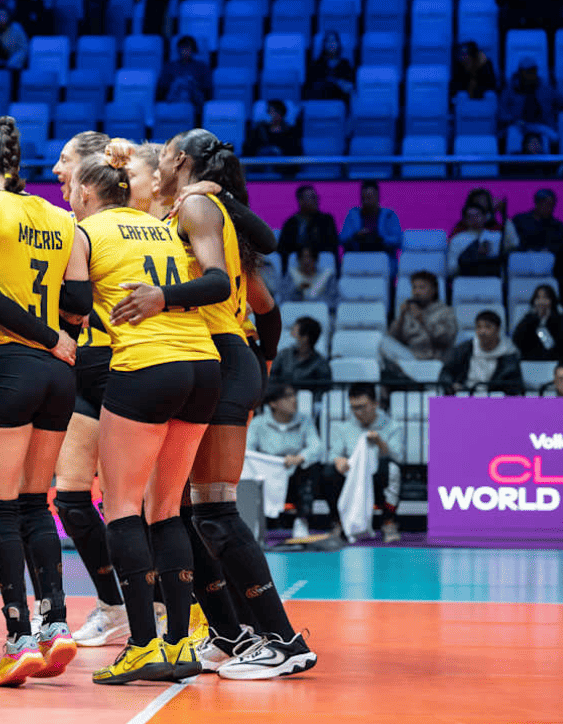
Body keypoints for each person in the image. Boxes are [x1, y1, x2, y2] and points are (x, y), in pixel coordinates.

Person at [129, 129, 311, 680]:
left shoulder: (199, 207)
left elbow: (215, 284)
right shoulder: (190, 211)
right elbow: (261, 298)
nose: (155, 163)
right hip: (206, 359)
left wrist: (162, 297)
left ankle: (284, 640)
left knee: (213, 511)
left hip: (223, 357)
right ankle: (233, 634)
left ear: (180, 160)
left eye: (161, 156)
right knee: (186, 512)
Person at [0, 116, 92, 688]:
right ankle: (57, 623)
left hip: (7, 364)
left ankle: (19, 636)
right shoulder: (61, 218)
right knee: (35, 503)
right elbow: (78, 301)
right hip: (58, 376)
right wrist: (56, 331)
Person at [69, 140, 223, 686]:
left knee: (122, 507)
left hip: (145, 365)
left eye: (71, 193)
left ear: (87, 194)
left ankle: (140, 644)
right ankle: (181, 644)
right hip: (203, 366)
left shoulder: (83, 232)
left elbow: (74, 310)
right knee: (167, 509)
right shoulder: (162, 224)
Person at [46, 131, 129, 649]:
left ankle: (169, 607)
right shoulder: (66, 229)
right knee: (72, 498)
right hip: (81, 366)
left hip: (126, 365)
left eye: (64, 162)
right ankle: (113, 605)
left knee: (137, 505)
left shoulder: (123, 222)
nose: (56, 171)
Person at [323, 383, 403, 543]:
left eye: (362, 407)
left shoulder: (393, 426)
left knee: (392, 468)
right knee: (329, 473)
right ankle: (338, 523)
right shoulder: (342, 427)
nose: (358, 412)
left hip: (377, 478)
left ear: (375, 404)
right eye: (354, 407)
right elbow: (334, 453)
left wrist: (380, 443)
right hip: (351, 476)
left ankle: (389, 521)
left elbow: (398, 456)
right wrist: (339, 461)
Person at [247, 384, 324, 539]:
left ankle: (302, 521)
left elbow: (316, 446)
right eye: (287, 397)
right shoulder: (258, 423)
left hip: (295, 473)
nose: (294, 400)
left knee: (311, 468)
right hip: (267, 474)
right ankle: (255, 524)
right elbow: (248, 451)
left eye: (294, 395)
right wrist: (269, 463)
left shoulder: (305, 420)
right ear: (273, 403)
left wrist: (300, 458)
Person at [380, 271, 458, 365]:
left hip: (435, 360)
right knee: (382, 341)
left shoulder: (445, 311)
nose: (416, 292)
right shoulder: (409, 311)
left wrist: (422, 319)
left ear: (434, 290)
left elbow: (446, 339)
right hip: (411, 358)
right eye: (414, 287)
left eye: (422, 287)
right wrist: (401, 317)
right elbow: (393, 338)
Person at [440, 310, 525, 395]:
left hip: (496, 400)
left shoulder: (509, 355)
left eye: (488, 327)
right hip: (465, 395)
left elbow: (514, 387)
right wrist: (452, 385)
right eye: (479, 327)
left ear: (498, 330)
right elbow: (446, 373)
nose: (482, 331)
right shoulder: (464, 349)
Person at [498, 57, 563, 145]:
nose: (529, 75)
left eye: (532, 71)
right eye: (526, 72)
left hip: (544, 127)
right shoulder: (509, 91)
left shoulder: (546, 89)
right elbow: (502, 113)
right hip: (520, 127)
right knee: (513, 135)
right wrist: (513, 120)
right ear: (520, 73)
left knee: (554, 137)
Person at [512, 285, 563, 362]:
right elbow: (516, 340)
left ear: (552, 301)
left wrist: (549, 321)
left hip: (556, 361)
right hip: (530, 361)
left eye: (545, 298)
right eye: (538, 298)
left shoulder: (562, 320)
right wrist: (533, 320)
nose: (541, 302)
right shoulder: (528, 319)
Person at [270, 316, 333, 393]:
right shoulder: (283, 355)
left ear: (305, 338)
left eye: (294, 333)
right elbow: (271, 379)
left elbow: (322, 392)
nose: (290, 335)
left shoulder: (321, 364)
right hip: (282, 400)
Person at [339, 180, 403, 254]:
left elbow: (397, 240)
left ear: (377, 197)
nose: (366, 201)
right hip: (358, 257)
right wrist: (355, 236)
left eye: (369, 198)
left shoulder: (389, 215)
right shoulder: (352, 215)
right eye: (363, 198)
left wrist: (380, 239)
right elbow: (342, 239)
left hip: (383, 258)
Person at [277, 185, 339, 258]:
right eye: (312, 198)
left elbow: (332, 245)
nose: (316, 200)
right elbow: (283, 248)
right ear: (300, 201)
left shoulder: (326, 220)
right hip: (296, 263)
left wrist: (311, 252)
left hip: (323, 263)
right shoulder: (291, 223)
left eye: (316, 197)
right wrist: (301, 252)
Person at [448, 202, 506, 277]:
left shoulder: (497, 237)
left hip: (492, 279)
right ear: (464, 220)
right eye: (470, 216)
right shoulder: (457, 240)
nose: (474, 219)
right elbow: (451, 269)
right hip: (465, 280)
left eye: (477, 215)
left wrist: (504, 215)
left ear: (485, 217)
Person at [156, 36, 212, 112]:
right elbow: (163, 89)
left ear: (193, 50)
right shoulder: (169, 67)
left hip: (195, 101)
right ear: (178, 49)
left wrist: (191, 84)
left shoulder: (202, 67)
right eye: (183, 48)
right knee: (178, 84)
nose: (185, 51)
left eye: (188, 48)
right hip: (173, 99)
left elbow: (207, 90)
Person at [304, 31, 354, 104]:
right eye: (328, 41)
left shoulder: (345, 64)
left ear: (338, 44)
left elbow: (349, 85)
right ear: (324, 45)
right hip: (320, 101)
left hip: (340, 102)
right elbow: (312, 86)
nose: (331, 44)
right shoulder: (316, 65)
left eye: (334, 41)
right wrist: (337, 82)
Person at [511, 188, 563, 253]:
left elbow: (560, 246)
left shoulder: (557, 225)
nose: (550, 208)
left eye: (552, 205)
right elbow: (512, 242)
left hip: (549, 259)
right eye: (547, 205)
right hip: (522, 257)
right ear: (537, 203)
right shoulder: (519, 220)